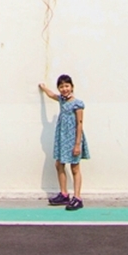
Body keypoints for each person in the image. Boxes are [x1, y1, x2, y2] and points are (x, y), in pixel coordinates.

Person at [38, 74, 89, 211]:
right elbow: (51, 95)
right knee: (59, 164)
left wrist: (77, 144)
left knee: (75, 167)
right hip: (62, 138)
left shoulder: (77, 104)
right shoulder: (61, 100)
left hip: (73, 139)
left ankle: (77, 198)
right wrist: (44, 88)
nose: (64, 89)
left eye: (67, 86)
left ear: (72, 87)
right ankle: (64, 193)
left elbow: (79, 124)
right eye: (61, 86)